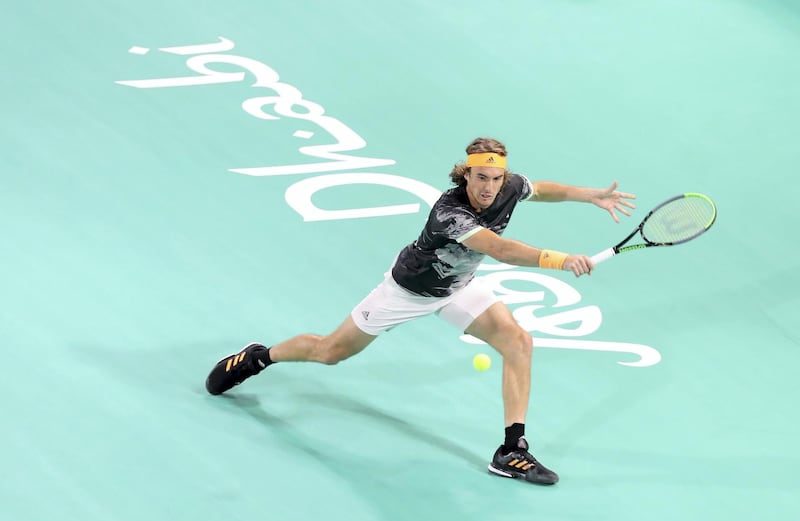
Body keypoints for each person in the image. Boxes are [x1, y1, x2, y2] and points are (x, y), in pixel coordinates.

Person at [205, 137, 636, 485]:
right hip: (407, 291)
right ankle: (259, 356)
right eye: (481, 177)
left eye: (496, 178)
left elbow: (539, 189)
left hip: (458, 287)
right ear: (465, 173)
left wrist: (588, 195)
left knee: (518, 342)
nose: (489, 187)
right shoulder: (450, 213)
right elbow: (501, 249)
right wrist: (562, 260)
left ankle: (511, 450)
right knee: (330, 352)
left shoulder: (508, 186)